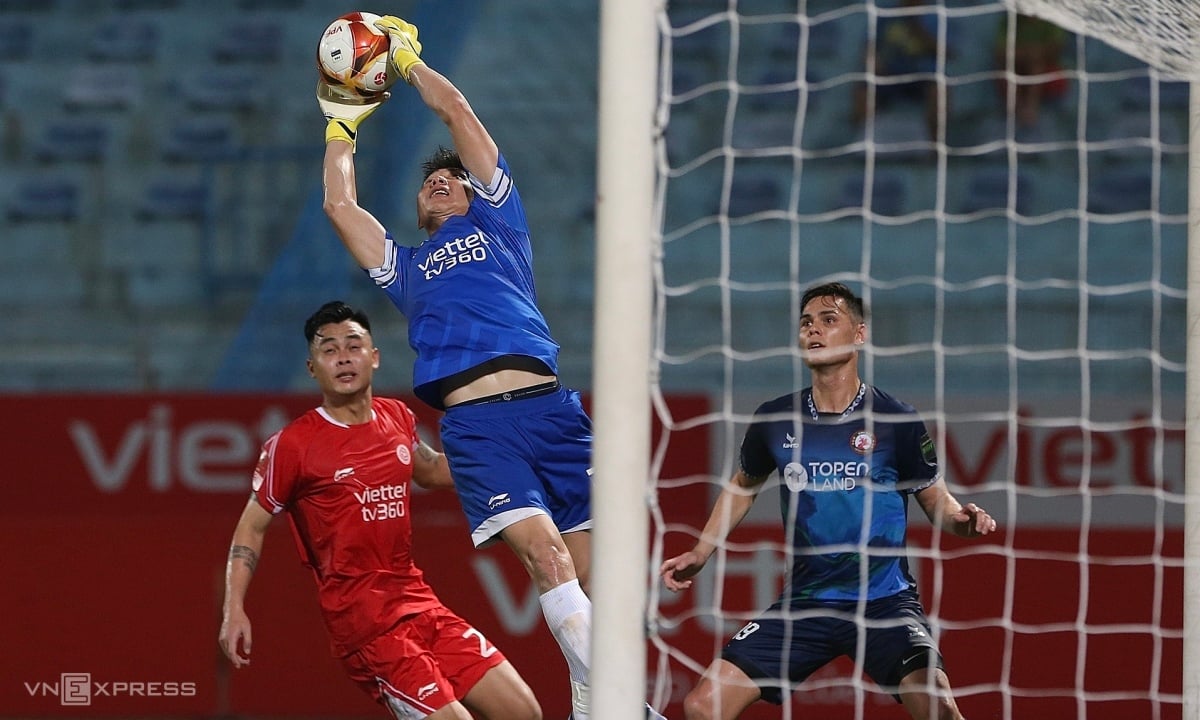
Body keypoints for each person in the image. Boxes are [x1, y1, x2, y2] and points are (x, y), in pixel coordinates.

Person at [316, 16, 662, 720]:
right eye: (429, 182)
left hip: (555, 412)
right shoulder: (406, 271)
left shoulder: (501, 225)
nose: (441, 183)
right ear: (416, 207)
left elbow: (457, 110)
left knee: (594, 580)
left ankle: (595, 698)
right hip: (478, 428)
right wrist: (340, 123)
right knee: (547, 560)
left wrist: (407, 63)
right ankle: (632, 709)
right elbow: (338, 204)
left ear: (475, 192)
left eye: (453, 178)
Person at [659, 282, 997, 720]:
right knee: (702, 706)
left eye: (828, 320)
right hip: (806, 602)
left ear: (859, 334)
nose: (813, 331)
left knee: (940, 708)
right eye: (806, 323)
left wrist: (963, 520)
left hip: (884, 604)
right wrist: (701, 551)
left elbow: (937, 504)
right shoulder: (775, 418)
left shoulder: (896, 420)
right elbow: (743, 485)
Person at [218, 300, 542, 720]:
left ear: (374, 357)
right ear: (312, 368)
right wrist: (234, 607)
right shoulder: (293, 445)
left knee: (524, 712)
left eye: (353, 346)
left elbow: (430, 470)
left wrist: (515, 466)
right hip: (366, 627)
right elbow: (251, 528)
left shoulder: (397, 417)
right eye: (328, 350)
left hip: (420, 605)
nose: (343, 358)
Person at [853, 0, 950, 142]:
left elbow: (947, 53)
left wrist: (916, 26)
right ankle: (865, 143)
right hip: (889, 75)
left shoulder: (936, 15)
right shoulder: (885, 16)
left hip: (923, 76)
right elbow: (869, 48)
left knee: (939, 91)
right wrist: (874, 64)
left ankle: (935, 146)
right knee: (863, 91)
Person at [993, 13, 1069, 128]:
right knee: (1008, 73)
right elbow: (1000, 53)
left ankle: (1029, 109)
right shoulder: (1010, 20)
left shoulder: (1051, 19)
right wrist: (1027, 53)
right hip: (1017, 66)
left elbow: (1056, 48)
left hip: (1043, 66)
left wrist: (1036, 54)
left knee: (1037, 65)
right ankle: (1018, 111)